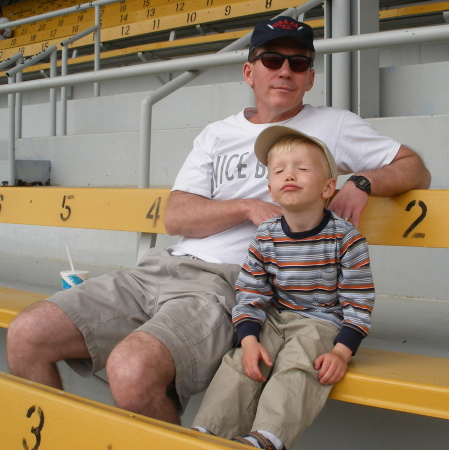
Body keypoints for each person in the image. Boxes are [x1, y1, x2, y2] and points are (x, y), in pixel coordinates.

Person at [7, 16, 430, 426]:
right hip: (160, 268)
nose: (285, 70)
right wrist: (246, 207)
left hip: (230, 283)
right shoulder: (216, 133)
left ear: (310, 78)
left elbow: (415, 168)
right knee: (26, 335)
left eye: (298, 63)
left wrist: (361, 181)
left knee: (132, 369)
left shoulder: (332, 125)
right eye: (272, 60)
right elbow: (177, 216)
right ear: (249, 71)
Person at [192, 126, 375, 450]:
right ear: (271, 189)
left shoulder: (345, 238)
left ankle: (267, 437)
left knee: (300, 361)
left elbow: (358, 302)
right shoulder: (266, 235)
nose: (289, 174)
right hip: (275, 318)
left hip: (322, 321)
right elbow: (250, 292)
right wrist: (248, 340)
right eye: (279, 171)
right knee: (241, 362)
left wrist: (341, 351)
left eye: (302, 169)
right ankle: (208, 432)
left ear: (328, 187)